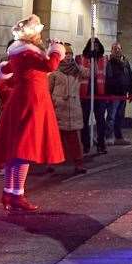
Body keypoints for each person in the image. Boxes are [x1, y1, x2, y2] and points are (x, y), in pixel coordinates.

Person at [0, 15, 65, 211]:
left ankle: (9, 192)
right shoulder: (28, 52)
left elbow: (5, 70)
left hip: (21, 99)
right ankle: (17, 195)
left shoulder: (17, 51)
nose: (40, 35)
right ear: (32, 34)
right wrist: (57, 50)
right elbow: (51, 66)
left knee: (16, 150)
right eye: (38, 31)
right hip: (32, 101)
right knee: (25, 149)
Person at [48, 45, 88, 176]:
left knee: (75, 141)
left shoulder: (77, 70)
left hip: (73, 110)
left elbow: (89, 73)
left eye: (70, 54)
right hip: (58, 109)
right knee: (55, 139)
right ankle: (51, 163)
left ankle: (78, 163)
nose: (68, 56)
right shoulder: (55, 71)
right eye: (66, 54)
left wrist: (92, 55)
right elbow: (49, 90)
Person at [77, 36, 107, 155]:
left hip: (99, 94)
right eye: (93, 45)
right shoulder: (81, 58)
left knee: (100, 120)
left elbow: (107, 77)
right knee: (84, 120)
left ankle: (101, 144)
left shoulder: (104, 60)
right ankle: (85, 145)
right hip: (86, 93)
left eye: (97, 45)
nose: (95, 47)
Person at [104, 42, 132, 145]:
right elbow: (107, 78)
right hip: (113, 94)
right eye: (115, 49)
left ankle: (118, 137)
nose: (117, 50)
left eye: (118, 48)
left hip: (123, 94)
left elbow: (130, 76)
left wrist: (131, 91)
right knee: (111, 117)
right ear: (111, 50)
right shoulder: (109, 62)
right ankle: (108, 137)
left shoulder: (125, 61)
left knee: (119, 116)